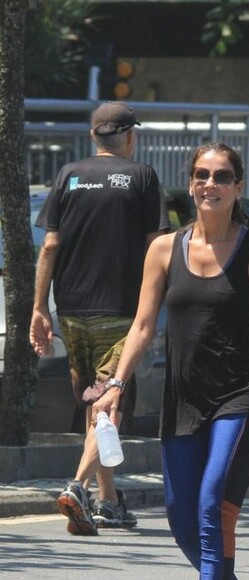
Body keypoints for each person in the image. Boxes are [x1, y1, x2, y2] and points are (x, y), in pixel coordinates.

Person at [92, 142, 249, 578]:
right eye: (202, 175)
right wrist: (115, 386)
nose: (210, 184)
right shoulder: (164, 249)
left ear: (238, 187)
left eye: (222, 176)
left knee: (212, 505)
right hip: (183, 399)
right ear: (191, 184)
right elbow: (142, 327)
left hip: (242, 395)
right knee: (182, 517)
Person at [29, 101, 170, 535]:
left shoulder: (68, 175)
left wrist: (39, 308)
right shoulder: (142, 176)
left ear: (93, 136)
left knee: (95, 405)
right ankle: (78, 487)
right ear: (130, 136)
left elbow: (49, 246)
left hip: (70, 309)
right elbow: (155, 247)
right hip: (120, 311)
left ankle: (108, 501)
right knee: (109, 407)